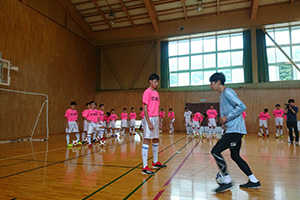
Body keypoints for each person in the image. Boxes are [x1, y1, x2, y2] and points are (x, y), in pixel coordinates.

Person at [209, 72, 260, 193]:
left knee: (215, 151)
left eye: (212, 82)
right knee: (235, 156)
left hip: (235, 130)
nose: (210, 85)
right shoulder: (222, 95)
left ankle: (227, 180)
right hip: (232, 130)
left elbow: (241, 106)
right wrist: (224, 122)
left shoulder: (228, 92)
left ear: (218, 82)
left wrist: (227, 117)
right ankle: (254, 181)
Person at [141, 73, 167, 175]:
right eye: (155, 82)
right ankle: (144, 167)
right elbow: (145, 108)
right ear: (150, 81)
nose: (156, 84)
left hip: (156, 118)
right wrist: (148, 122)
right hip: (149, 118)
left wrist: (159, 121)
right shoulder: (147, 92)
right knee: (147, 139)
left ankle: (155, 162)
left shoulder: (156, 93)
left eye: (157, 82)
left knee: (156, 138)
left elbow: (157, 108)